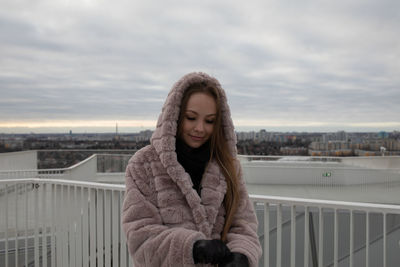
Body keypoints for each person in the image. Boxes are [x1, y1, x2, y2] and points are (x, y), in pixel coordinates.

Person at [122, 72, 262, 266]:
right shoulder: (144, 165)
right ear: (175, 117)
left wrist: (242, 255)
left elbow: (243, 225)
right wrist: (192, 248)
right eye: (191, 117)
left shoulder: (227, 166)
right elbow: (140, 236)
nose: (200, 128)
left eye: (210, 121)